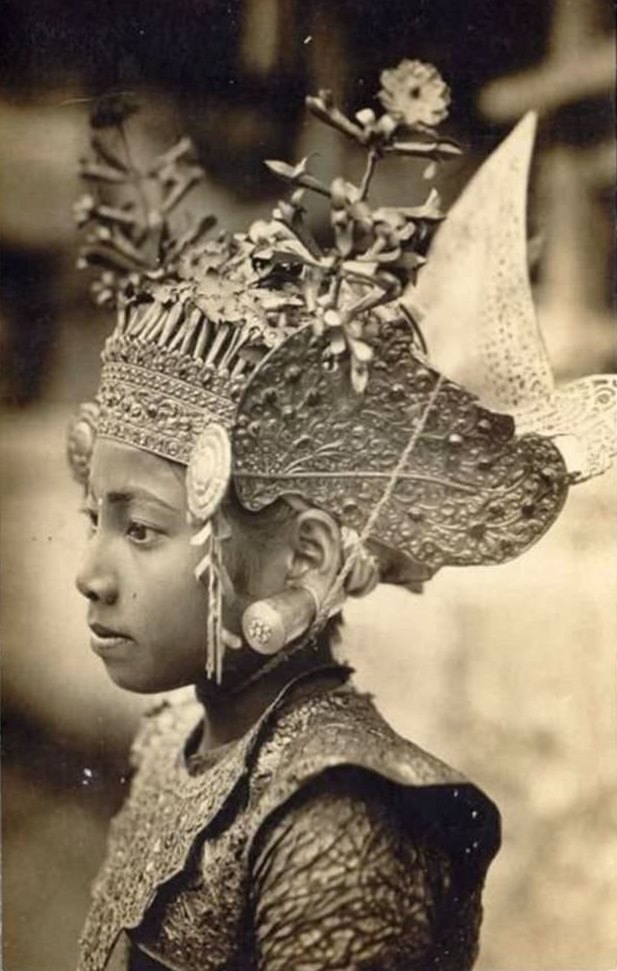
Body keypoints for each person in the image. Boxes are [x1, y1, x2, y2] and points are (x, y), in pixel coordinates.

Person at [67, 62, 613, 971]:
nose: (88, 569)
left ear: (302, 557)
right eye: (95, 515)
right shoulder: (180, 734)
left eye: (142, 528)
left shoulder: (340, 817)